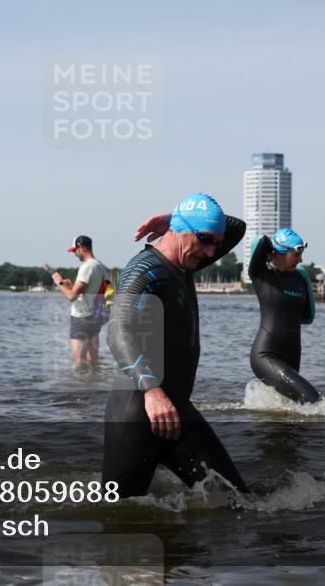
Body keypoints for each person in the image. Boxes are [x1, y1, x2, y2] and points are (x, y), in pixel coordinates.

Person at [103, 192, 249, 497]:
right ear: (182, 232)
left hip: (176, 411)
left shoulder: (186, 264)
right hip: (139, 412)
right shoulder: (145, 271)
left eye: (216, 245)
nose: (210, 253)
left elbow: (237, 227)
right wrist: (153, 392)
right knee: (121, 520)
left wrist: (173, 218)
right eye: (205, 240)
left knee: (237, 502)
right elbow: (118, 330)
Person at [247, 228, 319, 404]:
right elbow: (260, 242)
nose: (301, 259)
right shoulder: (261, 275)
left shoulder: (301, 278)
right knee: (312, 400)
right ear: (280, 252)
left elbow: (308, 317)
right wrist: (276, 246)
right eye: (296, 254)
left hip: (293, 354)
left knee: (289, 414)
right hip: (266, 355)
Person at [50, 235, 108, 366]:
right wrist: (70, 286)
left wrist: (59, 282)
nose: (75, 254)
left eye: (75, 251)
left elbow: (71, 297)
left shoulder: (86, 267)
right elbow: (98, 291)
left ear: (81, 248)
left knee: (79, 363)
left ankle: (79, 386)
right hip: (96, 317)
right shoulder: (102, 267)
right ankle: (94, 385)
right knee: (93, 361)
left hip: (82, 318)